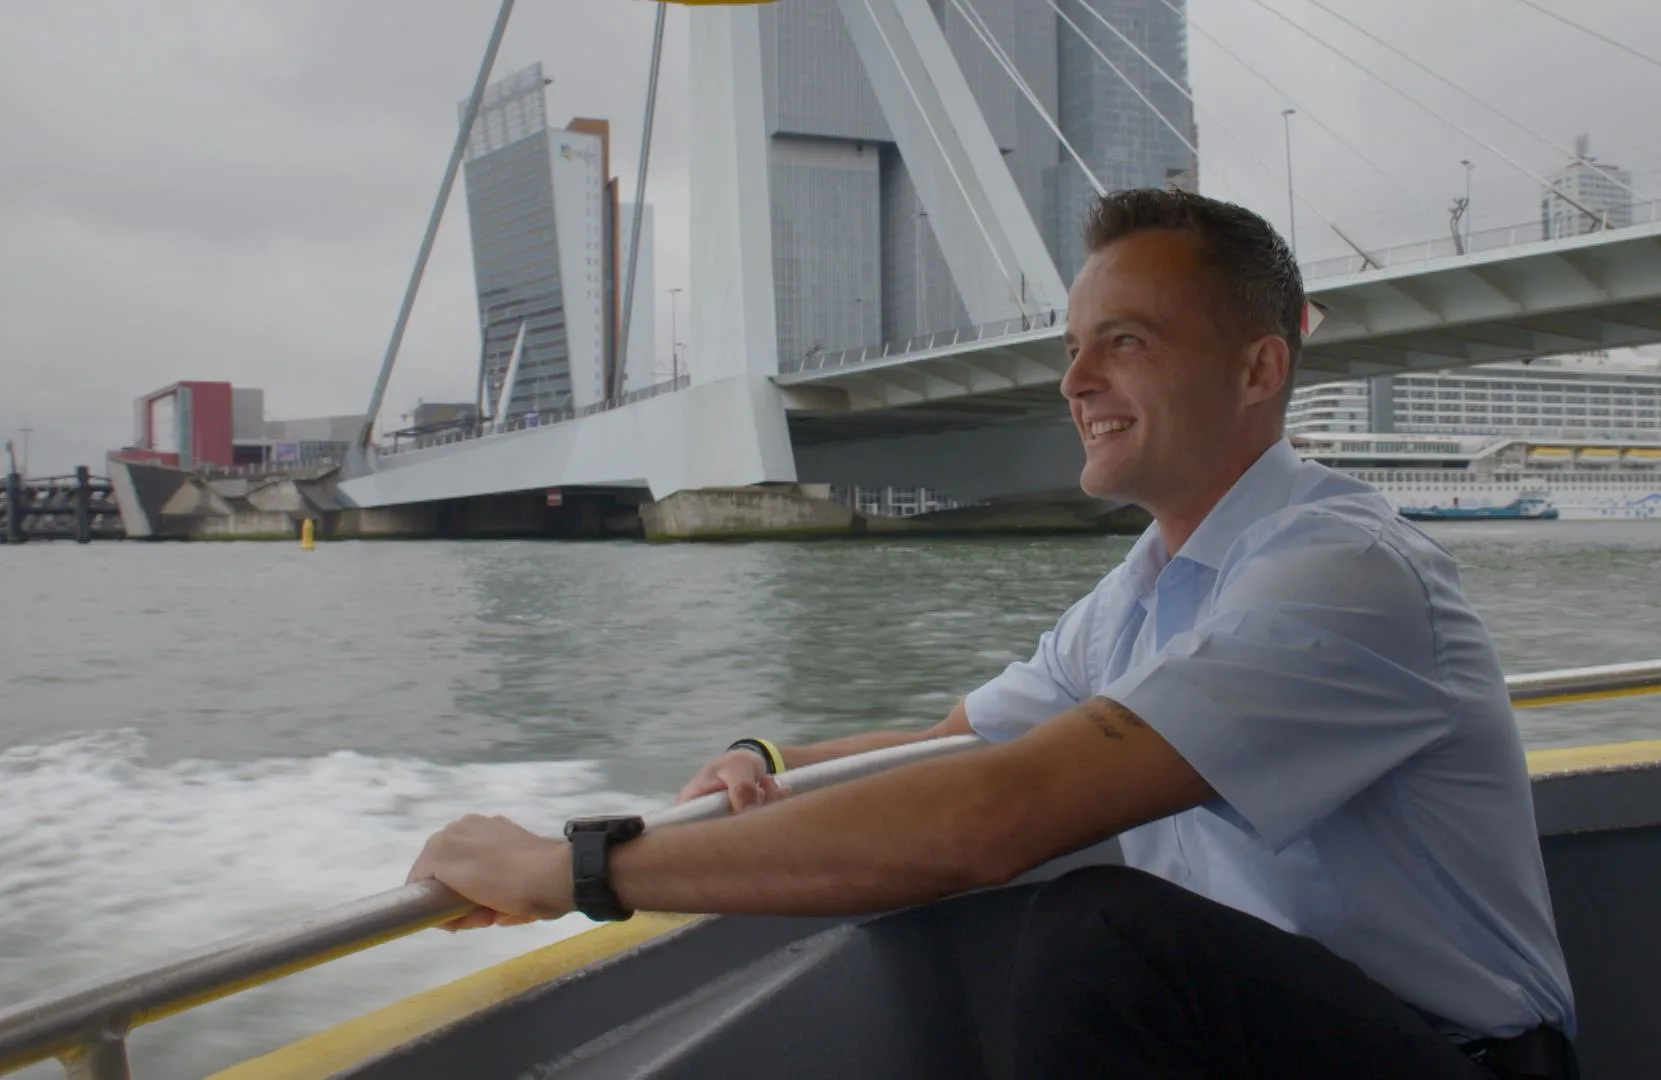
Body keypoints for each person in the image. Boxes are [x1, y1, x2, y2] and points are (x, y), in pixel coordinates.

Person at [408, 188, 1578, 1078]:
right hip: (1263, 1040)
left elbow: (990, 817)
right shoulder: (1140, 591)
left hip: (1453, 1057)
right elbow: (955, 747)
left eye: (1124, 341)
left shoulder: (1342, 576)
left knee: (1104, 931)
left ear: (1256, 368)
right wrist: (767, 764)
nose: (1073, 380)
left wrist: (575, 869)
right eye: (1072, 347)